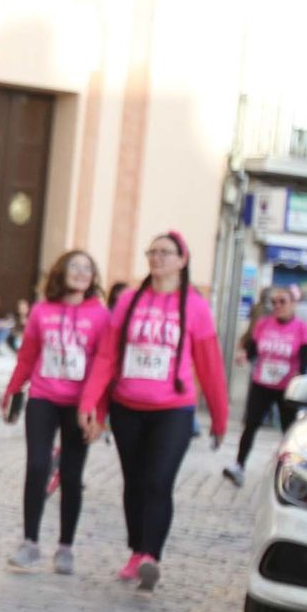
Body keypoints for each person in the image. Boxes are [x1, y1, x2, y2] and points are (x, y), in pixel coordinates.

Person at [78, 231, 228, 592]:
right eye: (153, 251)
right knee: (134, 482)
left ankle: (151, 557)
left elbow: (210, 365)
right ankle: (136, 550)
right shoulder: (129, 300)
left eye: (166, 252)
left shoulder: (195, 306)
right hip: (128, 407)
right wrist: (90, 403)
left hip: (173, 411)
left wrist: (220, 417)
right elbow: (106, 357)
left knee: (159, 481)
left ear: (182, 260)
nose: (157, 258)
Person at [1, 251, 109, 573]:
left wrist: (97, 412)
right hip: (43, 397)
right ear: (61, 272)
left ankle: (65, 547)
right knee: (37, 465)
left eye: (87, 269)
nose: (80, 273)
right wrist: (12, 390)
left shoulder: (101, 316)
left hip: (79, 405)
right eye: (74, 267)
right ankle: (30, 542)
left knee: (72, 476)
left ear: (93, 278)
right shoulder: (41, 311)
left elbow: (105, 366)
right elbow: (27, 356)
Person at [225, 285, 307, 487]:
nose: (277, 306)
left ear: (293, 304)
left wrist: (301, 379)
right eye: (273, 302)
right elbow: (253, 351)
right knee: (251, 425)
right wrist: (244, 355)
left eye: (282, 301)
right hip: (262, 383)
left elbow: (305, 359)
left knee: (288, 430)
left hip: (287, 388)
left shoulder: (302, 328)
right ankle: (238, 465)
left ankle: (289, 472)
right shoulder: (264, 324)